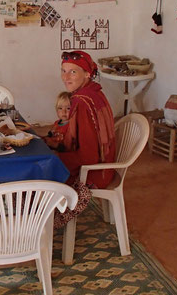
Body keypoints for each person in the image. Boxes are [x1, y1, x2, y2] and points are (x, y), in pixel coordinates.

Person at [52, 50, 116, 227]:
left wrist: (55, 157)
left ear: (87, 74)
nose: (65, 77)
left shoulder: (81, 102)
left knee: (37, 173)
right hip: (106, 164)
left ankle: (36, 231)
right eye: (63, 70)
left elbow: (88, 157)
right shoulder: (95, 92)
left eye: (73, 71)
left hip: (95, 173)